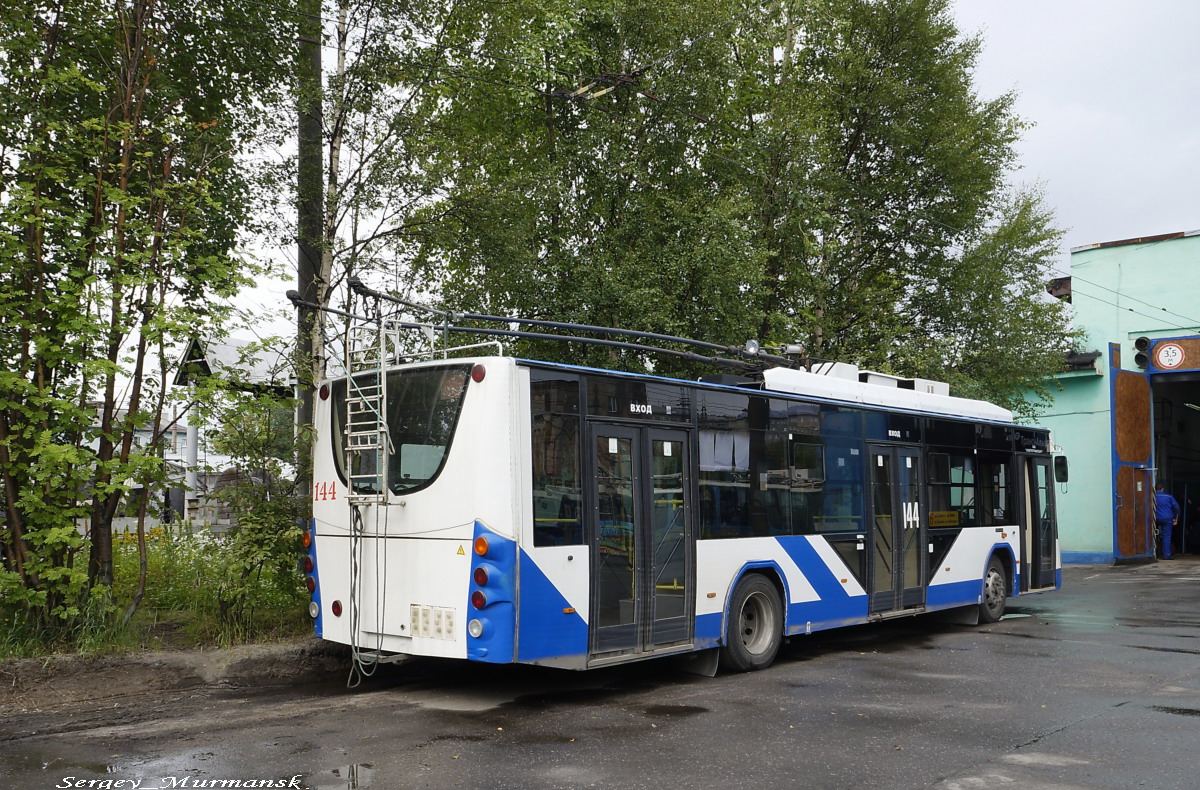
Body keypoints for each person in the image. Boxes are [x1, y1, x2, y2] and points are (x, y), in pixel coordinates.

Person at [1154, 483, 1181, 559]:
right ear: (1163, 489)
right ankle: (1166, 555)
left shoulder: (1152, 496)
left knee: (1153, 535)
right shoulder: (1169, 496)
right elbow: (1176, 507)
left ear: (1155, 489)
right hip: (1167, 519)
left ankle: (1153, 554)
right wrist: (1176, 518)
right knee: (1167, 537)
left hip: (1155, 519)